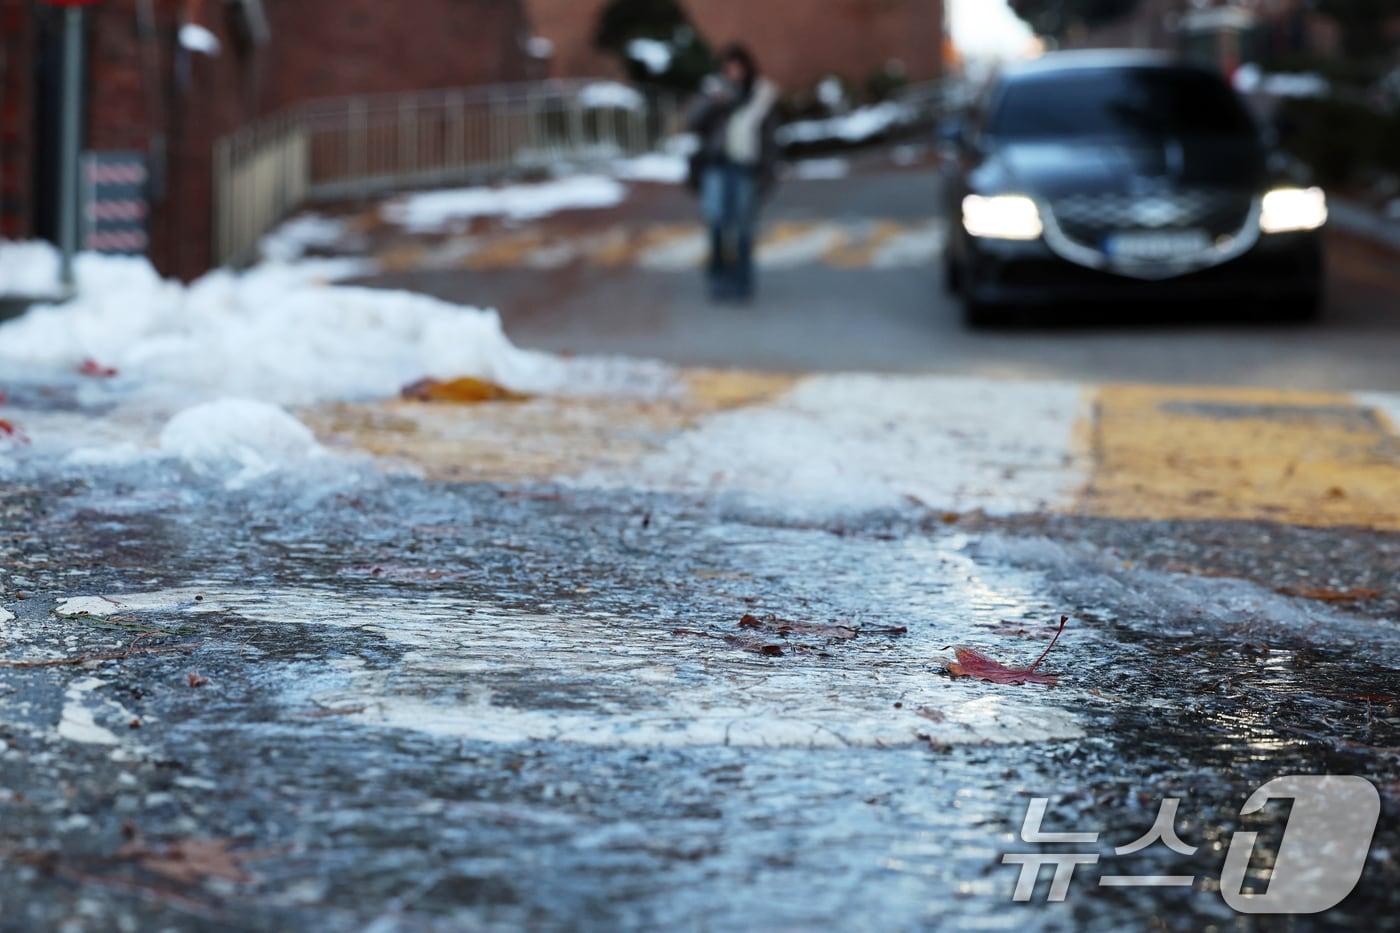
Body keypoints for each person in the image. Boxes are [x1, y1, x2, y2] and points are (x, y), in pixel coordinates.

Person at [686, 44, 780, 302]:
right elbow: (692, 122)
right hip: (716, 166)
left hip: (745, 168)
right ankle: (717, 280)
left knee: (743, 228)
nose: (733, 73)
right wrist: (714, 105)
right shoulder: (712, 91)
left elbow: (769, 139)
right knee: (716, 224)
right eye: (729, 67)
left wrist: (768, 173)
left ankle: (742, 282)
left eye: (738, 67)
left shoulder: (761, 96)